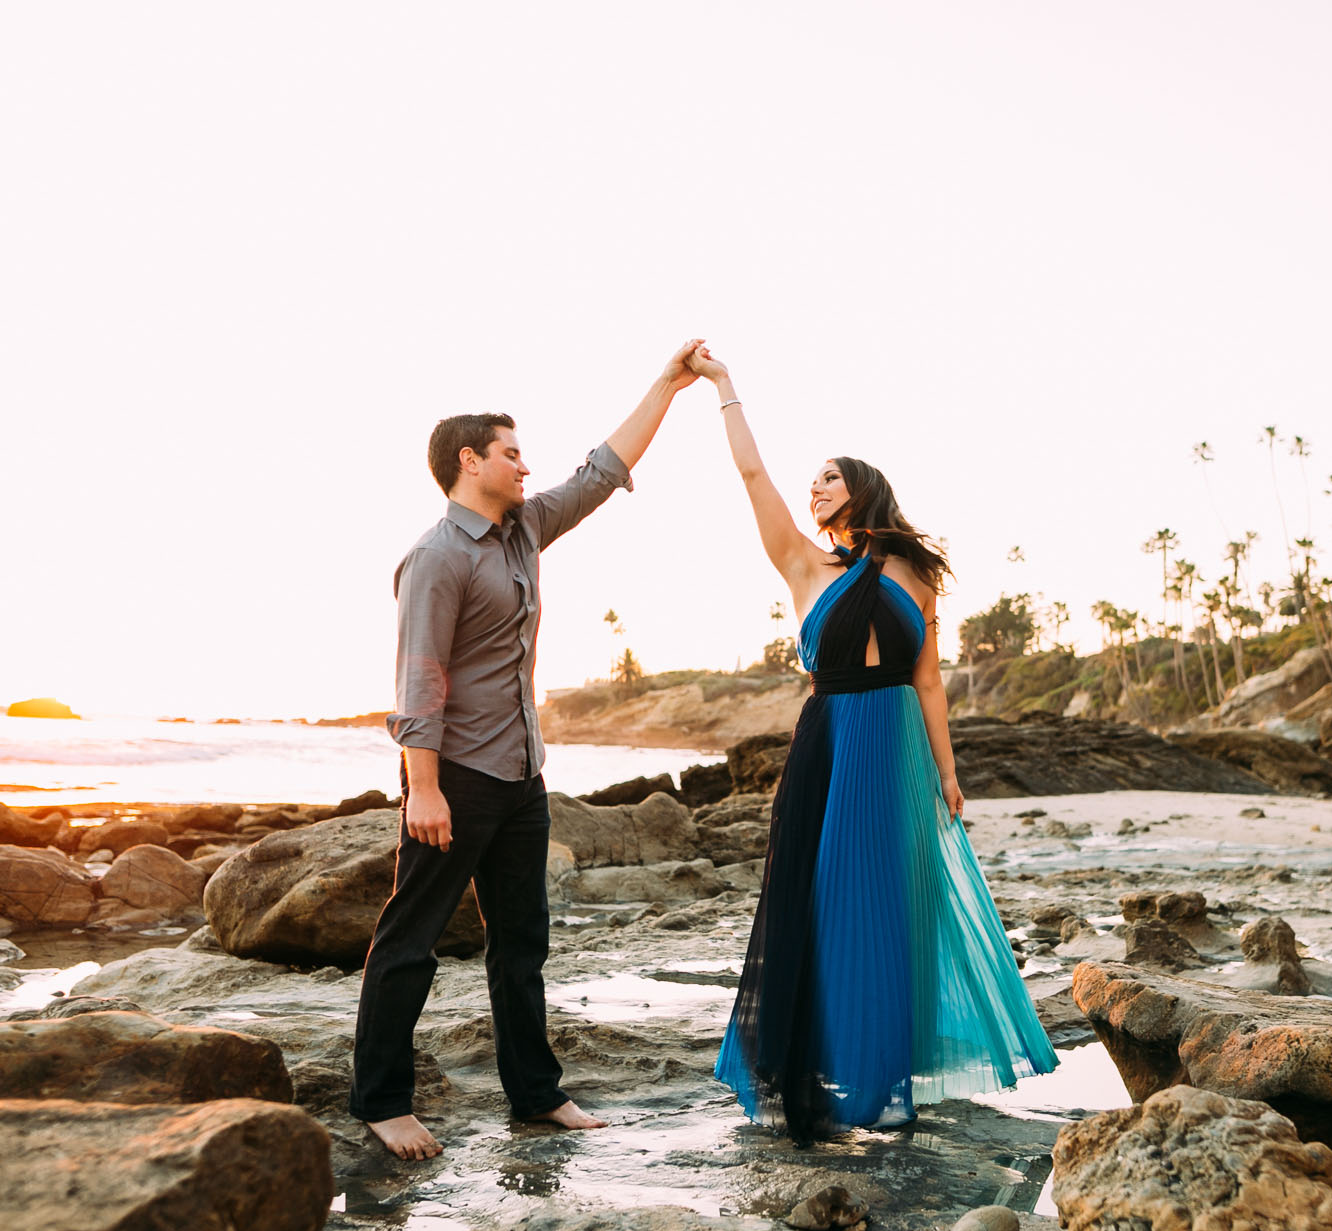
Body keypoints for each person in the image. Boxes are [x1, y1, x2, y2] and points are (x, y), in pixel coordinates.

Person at [689, 345, 1058, 1144]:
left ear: (860, 486)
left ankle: (886, 1085)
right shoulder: (804, 563)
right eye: (810, 480)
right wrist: (723, 387)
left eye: (826, 475)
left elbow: (928, 681)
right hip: (826, 744)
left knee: (890, 911)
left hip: (894, 747)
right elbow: (753, 478)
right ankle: (813, 1069)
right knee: (818, 905)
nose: (811, 487)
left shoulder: (916, 573)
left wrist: (948, 775)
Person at [351, 339, 706, 1160]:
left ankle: (536, 1095)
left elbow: (599, 471)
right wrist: (423, 789)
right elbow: (419, 680)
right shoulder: (437, 556)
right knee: (410, 939)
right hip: (458, 781)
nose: (524, 465)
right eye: (511, 453)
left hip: (521, 777)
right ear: (469, 461)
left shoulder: (522, 532)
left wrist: (668, 383)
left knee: (522, 946)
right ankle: (381, 1100)